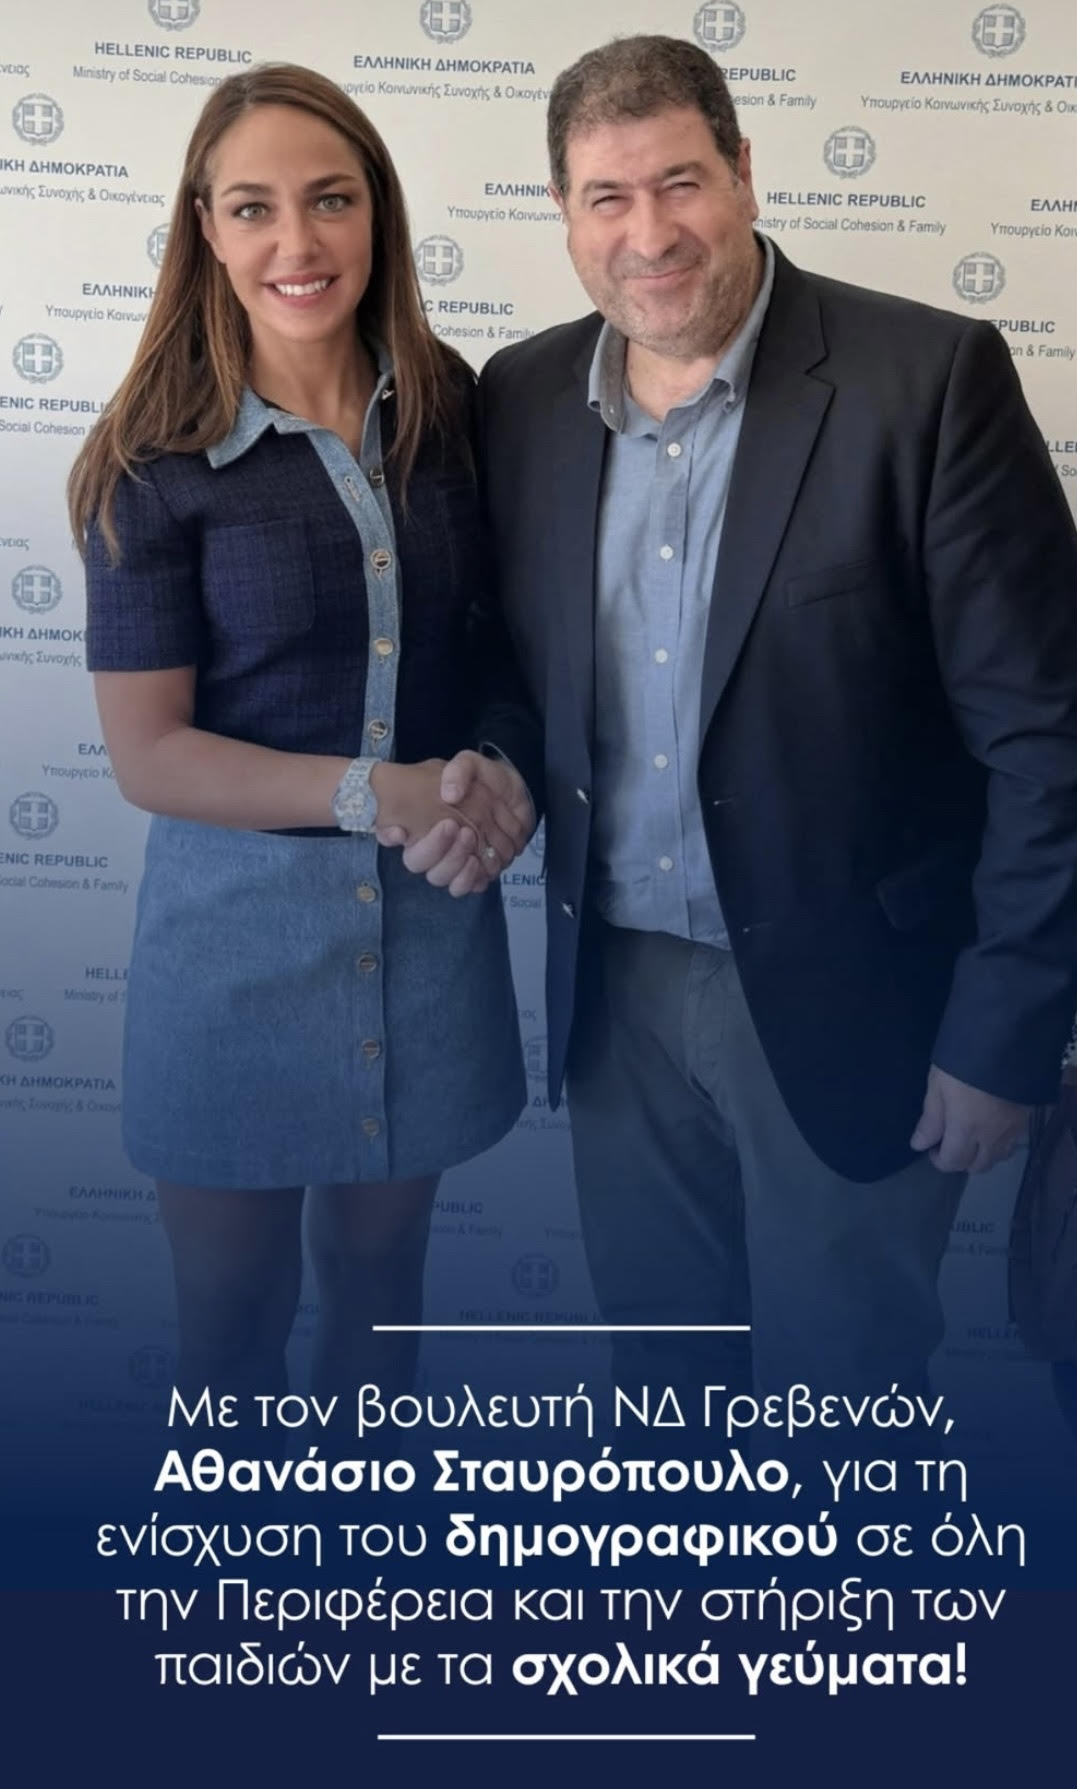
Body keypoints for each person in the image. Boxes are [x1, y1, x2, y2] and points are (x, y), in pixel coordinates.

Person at [418, 34, 1077, 1399]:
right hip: (616, 998)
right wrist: (497, 760)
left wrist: (1002, 1036)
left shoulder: (928, 378)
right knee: (660, 1384)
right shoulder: (522, 397)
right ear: (563, 213)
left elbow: (1054, 738)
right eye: (607, 197)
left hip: (860, 1000)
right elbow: (516, 661)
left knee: (842, 1397)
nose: (649, 233)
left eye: (680, 181)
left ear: (743, 171)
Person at [69, 63, 539, 1429]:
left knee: (382, 1291)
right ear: (205, 230)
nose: (298, 241)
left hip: (429, 929)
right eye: (254, 208)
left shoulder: (456, 410)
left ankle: (358, 1544)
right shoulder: (148, 463)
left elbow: (508, 654)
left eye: (331, 200)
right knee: (231, 1317)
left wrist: (500, 771)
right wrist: (378, 791)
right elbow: (151, 755)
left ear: (378, 214)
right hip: (234, 953)